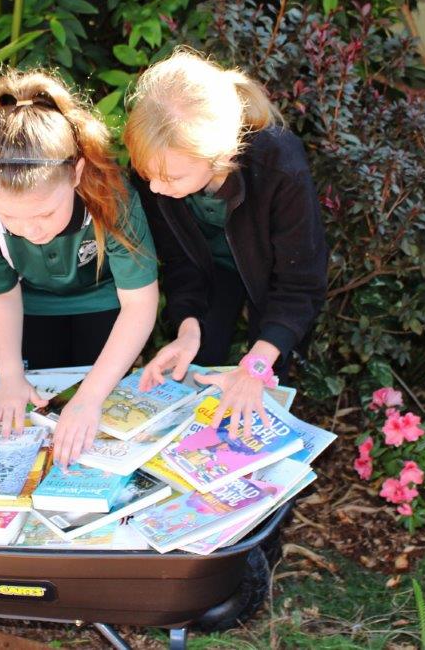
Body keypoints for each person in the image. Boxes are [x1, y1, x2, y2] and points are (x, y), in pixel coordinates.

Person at [0, 70, 159, 466]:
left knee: (97, 408)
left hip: (104, 301)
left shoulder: (113, 200)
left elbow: (139, 305)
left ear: (77, 174)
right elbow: (0, 293)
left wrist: (90, 398)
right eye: (11, 216)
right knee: (37, 415)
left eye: (46, 213)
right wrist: (11, 376)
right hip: (29, 306)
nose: (31, 230)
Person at [125, 49, 328, 438]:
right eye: (147, 174)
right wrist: (186, 329)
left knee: (261, 381)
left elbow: (300, 286)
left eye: (171, 178)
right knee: (196, 360)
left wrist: (257, 365)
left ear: (221, 156)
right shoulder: (157, 165)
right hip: (210, 267)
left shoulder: (280, 166)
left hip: (273, 271)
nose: (154, 187)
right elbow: (178, 263)